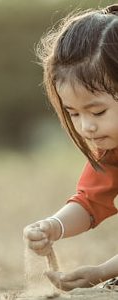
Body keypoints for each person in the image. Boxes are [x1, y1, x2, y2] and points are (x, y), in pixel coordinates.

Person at [23, 4, 118, 291]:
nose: (86, 127)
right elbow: (90, 203)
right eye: (73, 113)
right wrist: (53, 226)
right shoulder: (110, 150)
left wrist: (104, 271)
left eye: (97, 112)